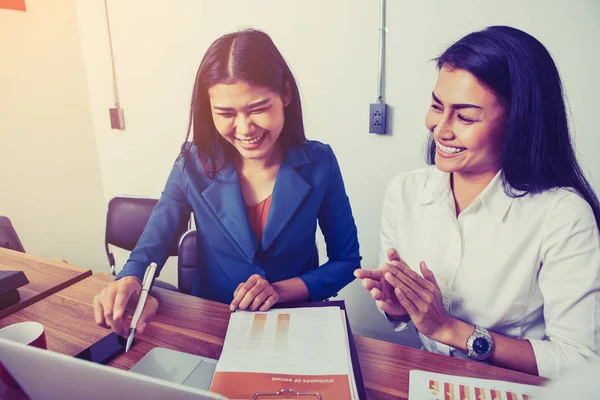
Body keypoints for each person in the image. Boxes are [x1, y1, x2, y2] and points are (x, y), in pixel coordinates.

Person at [355, 25, 600, 379]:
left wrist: (450, 329)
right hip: (434, 381)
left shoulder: (562, 214)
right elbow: (411, 320)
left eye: (466, 117)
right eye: (437, 106)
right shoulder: (404, 191)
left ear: (519, 123)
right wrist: (400, 308)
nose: (441, 128)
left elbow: (581, 360)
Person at [94, 29, 361, 338]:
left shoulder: (320, 162)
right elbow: (151, 244)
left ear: (285, 94)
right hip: (214, 323)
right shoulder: (191, 164)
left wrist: (278, 291)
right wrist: (130, 279)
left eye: (259, 108)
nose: (245, 128)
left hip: (293, 324)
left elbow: (346, 260)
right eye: (226, 113)